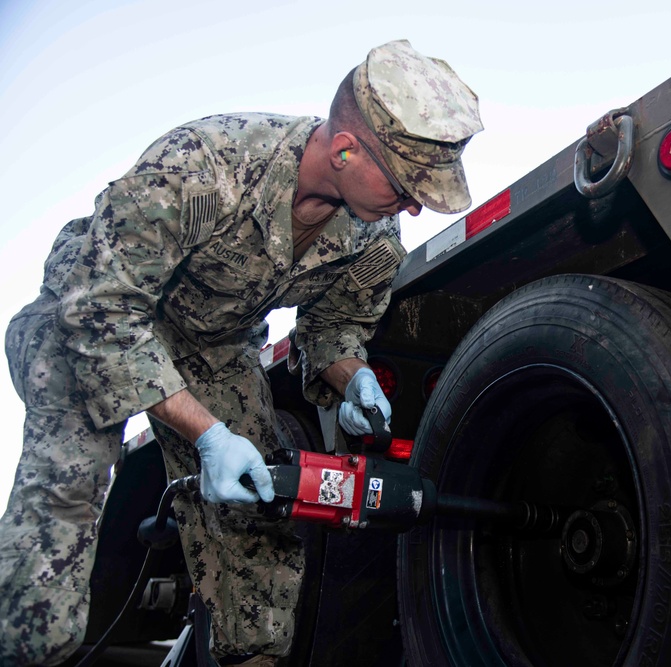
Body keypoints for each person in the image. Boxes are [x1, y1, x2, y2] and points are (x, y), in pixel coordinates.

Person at [0, 39, 482, 666]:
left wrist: (355, 376)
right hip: (91, 316)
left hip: (214, 342)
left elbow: (332, 330)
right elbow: (102, 309)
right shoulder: (202, 167)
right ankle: (22, 651)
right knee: (65, 496)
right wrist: (206, 434)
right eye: (404, 182)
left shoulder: (375, 233)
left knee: (261, 518)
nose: (415, 204)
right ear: (344, 150)